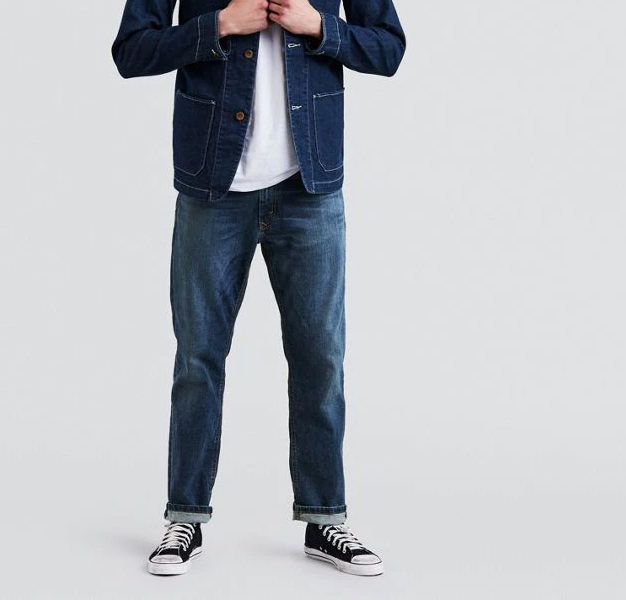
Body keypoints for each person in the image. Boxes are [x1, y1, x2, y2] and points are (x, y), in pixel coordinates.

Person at [111, 0, 405, 576]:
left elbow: (388, 48)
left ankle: (325, 517)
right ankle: (185, 517)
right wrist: (219, 24)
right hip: (213, 188)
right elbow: (131, 51)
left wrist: (319, 27)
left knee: (321, 357)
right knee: (198, 358)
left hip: (310, 188)